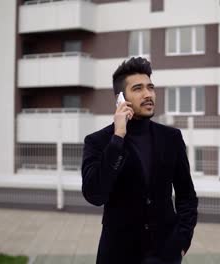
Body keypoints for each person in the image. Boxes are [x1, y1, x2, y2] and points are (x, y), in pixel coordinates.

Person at [81, 57, 198, 264]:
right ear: (121, 99)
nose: (148, 94)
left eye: (150, 87)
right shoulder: (98, 142)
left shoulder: (171, 138)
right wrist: (118, 138)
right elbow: (95, 194)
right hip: (118, 254)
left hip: (164, 254)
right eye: (138, 88)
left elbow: (186, 195)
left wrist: (181, 242)